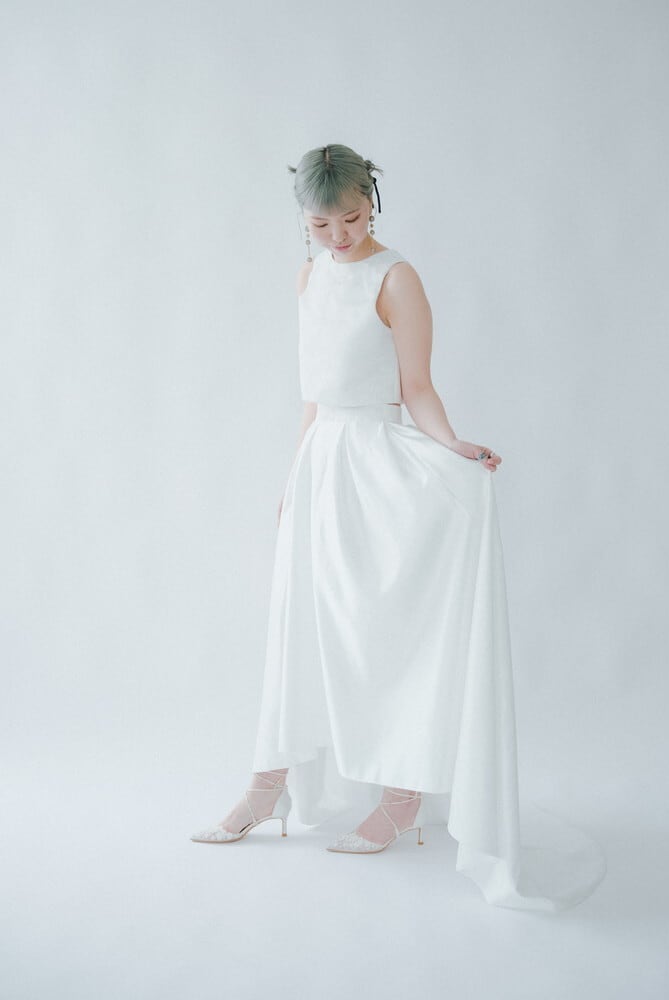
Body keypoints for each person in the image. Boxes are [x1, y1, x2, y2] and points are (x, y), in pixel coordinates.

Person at [190, 143, 607, 911]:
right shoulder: (309, 276)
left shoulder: (396, 277)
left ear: (371, 201)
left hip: (376, 467)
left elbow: (416, 386)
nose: (339, 235)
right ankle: (267, 785)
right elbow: (314, 395)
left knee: (379, 633)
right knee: (297, 628)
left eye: (351, 218)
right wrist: (292, 477)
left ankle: (402, 797)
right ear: (303, 220)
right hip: (319, 463)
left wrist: (452, 445)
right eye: (322, 224)